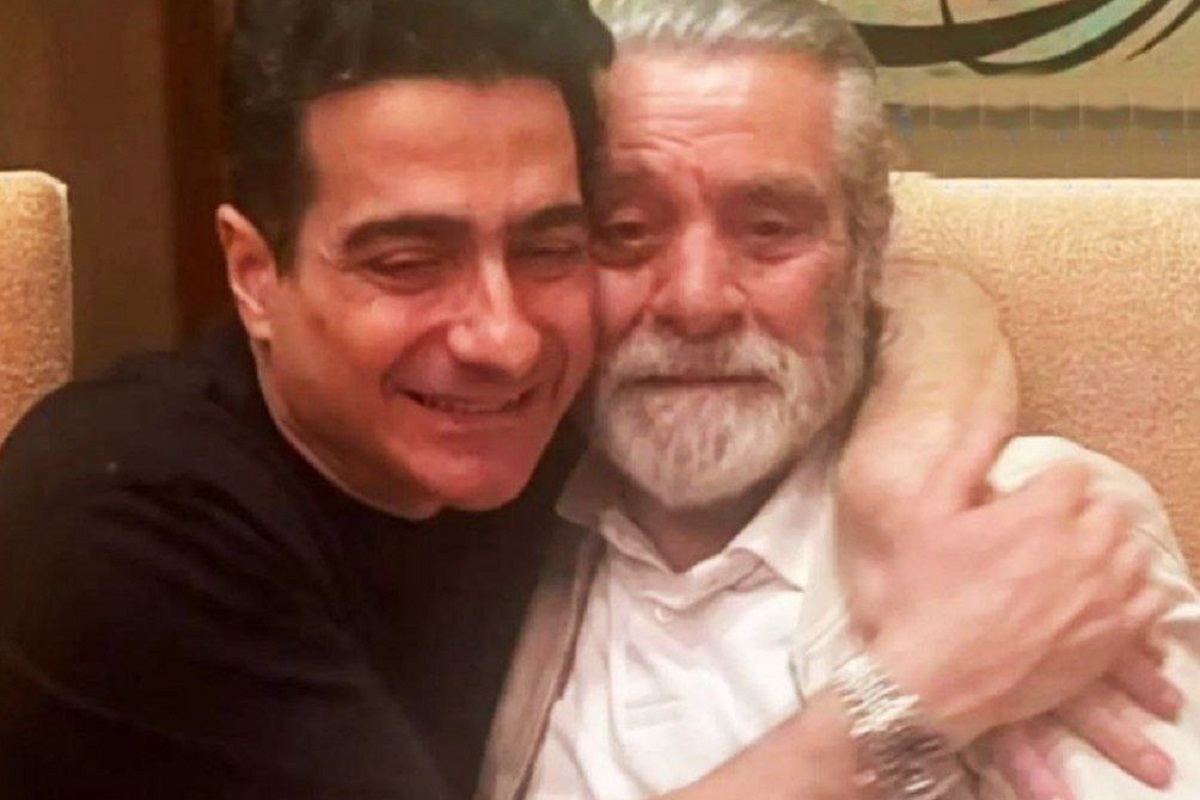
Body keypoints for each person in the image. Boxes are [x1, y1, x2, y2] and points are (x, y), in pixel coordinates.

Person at [0, 1, 1169, 799]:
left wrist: (902, 479)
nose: (502, 335)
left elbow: (906, 290)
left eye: (553, 243)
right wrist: (906, 701)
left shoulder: (575, 430)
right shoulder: (114, 522)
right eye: (407, 260)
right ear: (256, 273)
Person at [477, 2, 1200, 799]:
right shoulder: (484, 520)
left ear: (865, 251)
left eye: (769, 228)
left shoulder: (1029, 533)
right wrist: (899, 708)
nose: (696, 301)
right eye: (624, 229)